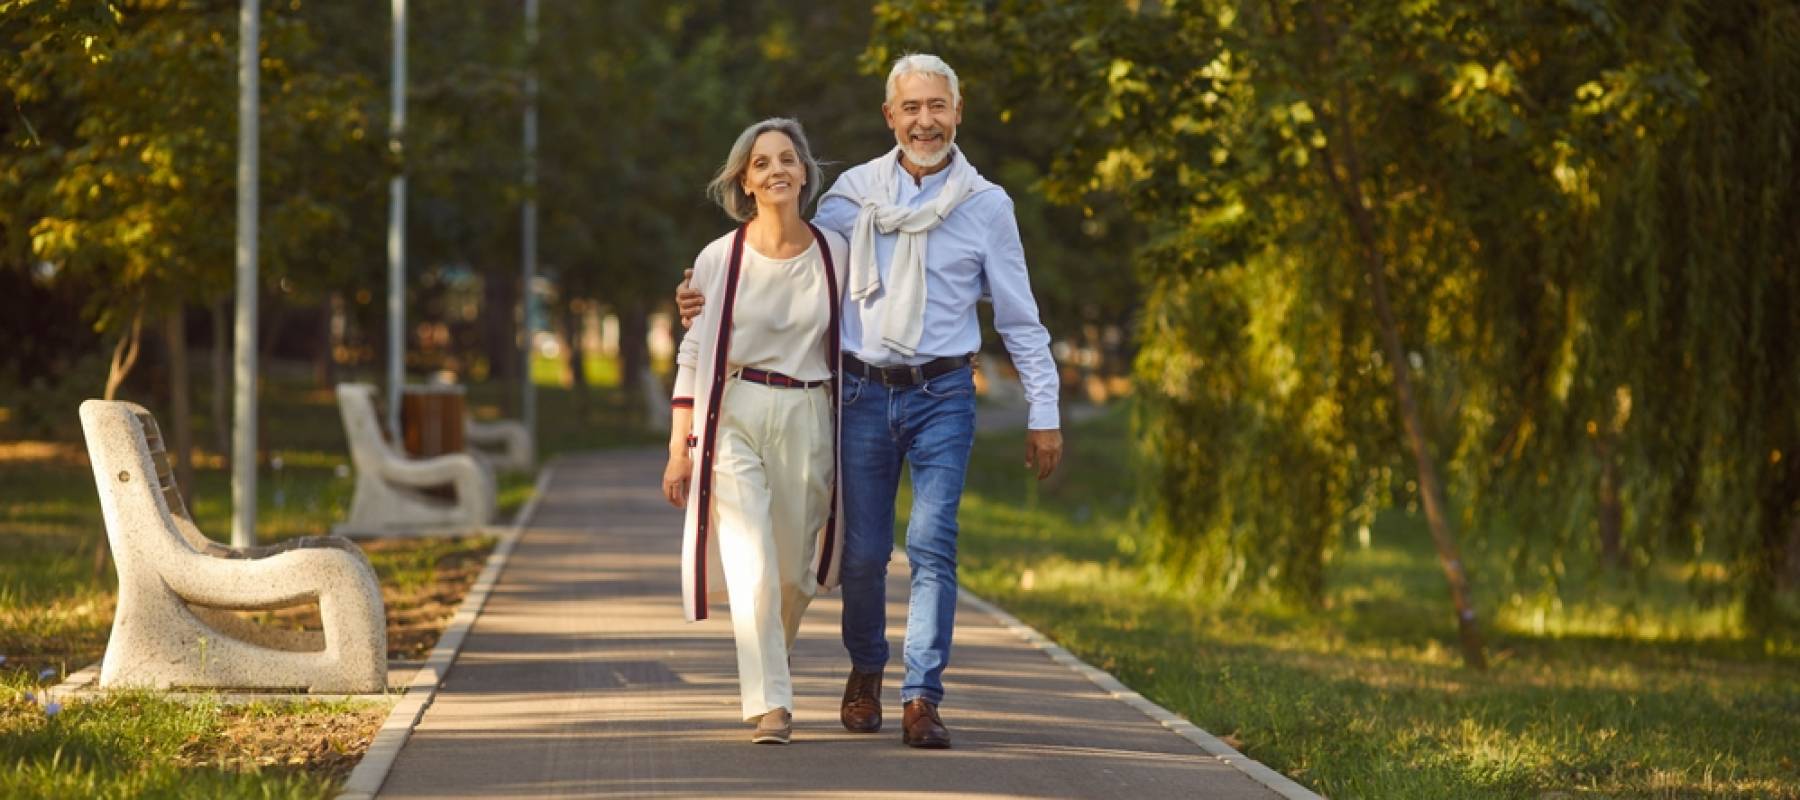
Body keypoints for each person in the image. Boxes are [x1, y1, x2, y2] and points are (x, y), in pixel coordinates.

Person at [679, 54, 1063, 749]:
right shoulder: (852, 197)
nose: (925, 121)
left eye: (937, 107)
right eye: (911, 108)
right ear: (890, 117)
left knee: (933, 543)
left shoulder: (988, 207)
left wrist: (1044, 411)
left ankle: (922, 695)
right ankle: (866, 669)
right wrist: (703, 299)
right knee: (861, 555)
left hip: (945, 391)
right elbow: (793, 266)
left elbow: (1018, 317)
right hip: (859, 391)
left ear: (957, 111)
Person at [662, 117, 849, 745]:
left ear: (803, 172)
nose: (776, 171)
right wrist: (678, 451)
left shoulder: (834, 252)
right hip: (735, 411)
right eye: (762, 163)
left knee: (796, 572)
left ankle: (773, 657)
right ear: (745, 180)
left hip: (808, 411)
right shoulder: (721, 257)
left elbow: (869, 328)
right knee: (752, 562)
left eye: (786, 160)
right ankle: (771, 703)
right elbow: (693, 353)